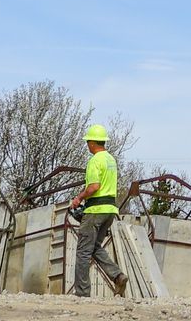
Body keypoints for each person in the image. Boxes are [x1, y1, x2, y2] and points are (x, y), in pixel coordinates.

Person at [66, 124, 128, 297]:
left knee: (83, 251)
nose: (87, 145)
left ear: (92, 143)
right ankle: (118, 276)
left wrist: (78, 198)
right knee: (94, 247)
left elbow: (94, 186)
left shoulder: (95, 161)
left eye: (88, 142)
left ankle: (82, 293)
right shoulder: (111, 160)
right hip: (110, 210)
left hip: (95, 210)